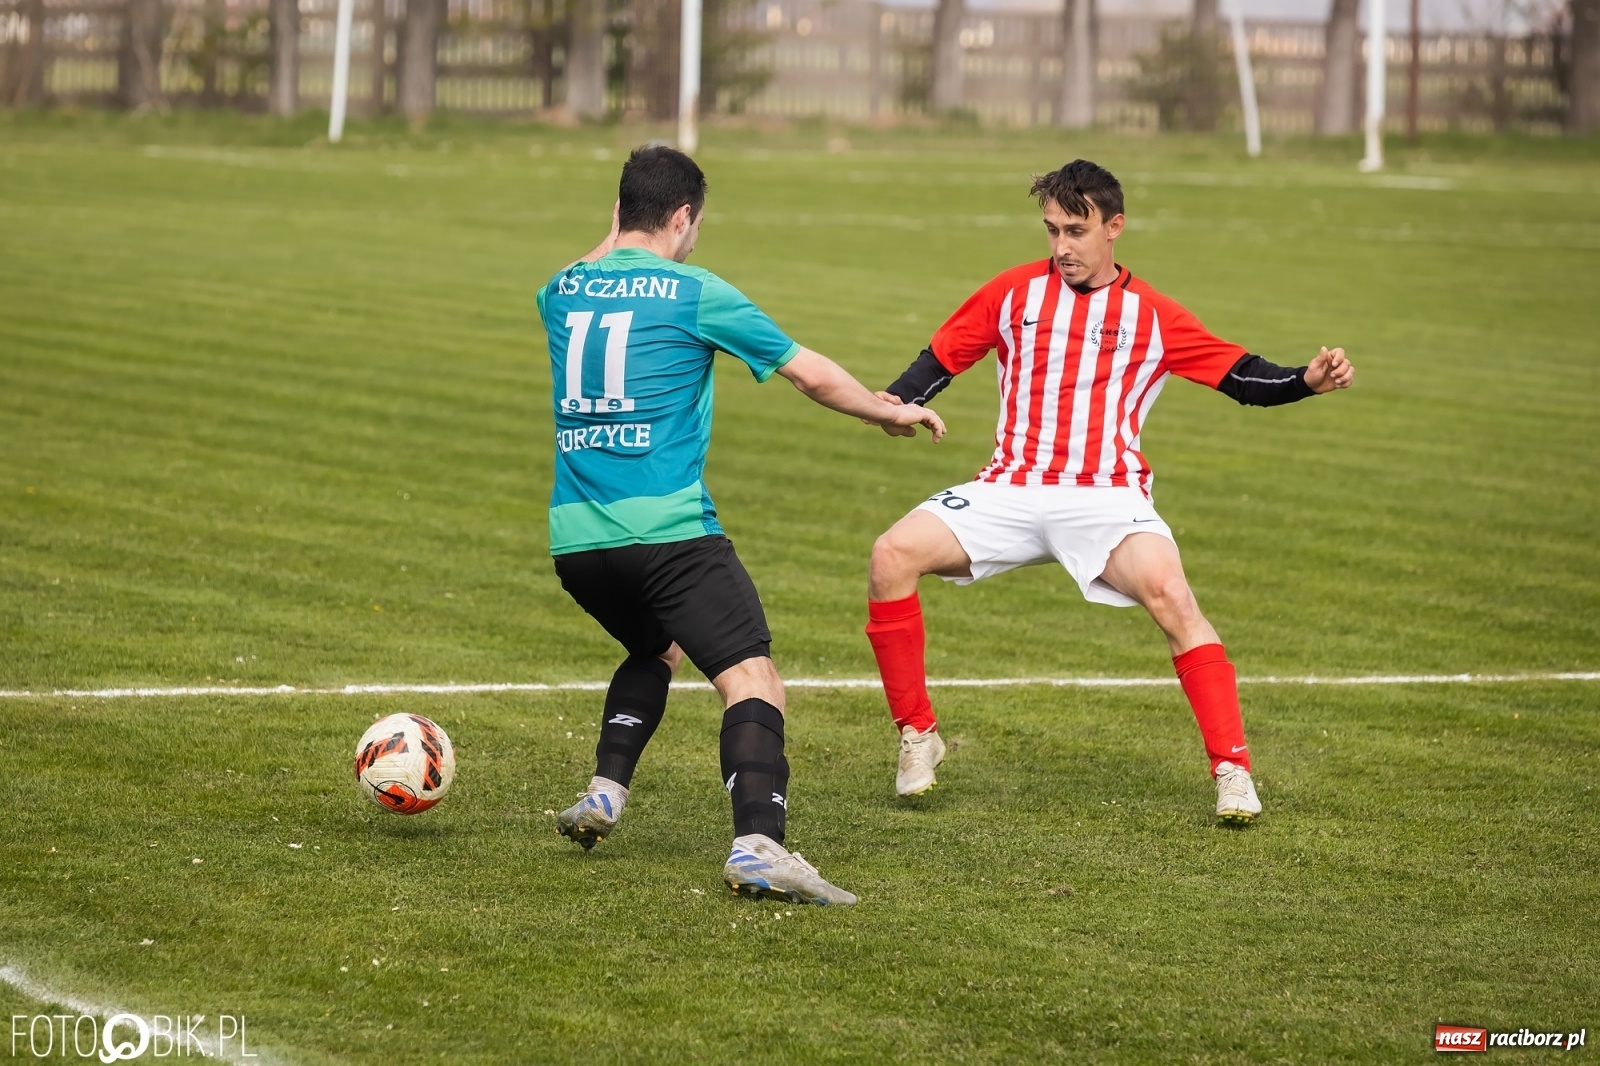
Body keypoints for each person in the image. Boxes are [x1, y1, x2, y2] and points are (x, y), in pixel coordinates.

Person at [863, 159, 1353, 823]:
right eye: (1051, 231)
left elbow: (1240, 376)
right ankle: (918, 735)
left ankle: (1233, 770)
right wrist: (897, 406)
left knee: (1174, 599)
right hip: (1010, 488)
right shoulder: (1011, 295)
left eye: (1076, 230)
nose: (1061, 246)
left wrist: (1305, 381)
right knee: (891, 555)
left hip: (1106, 497)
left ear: (1114, 227)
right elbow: (938, 361)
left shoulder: (1152, 315)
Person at [536, 145, 945, 905]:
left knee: (655, 647)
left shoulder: (560, 292)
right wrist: (887, 409)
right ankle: (759, 845)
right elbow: (808, 372)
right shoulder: (696, 292)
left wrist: (615, 230)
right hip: (669, 535)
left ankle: (604, 792)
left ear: (620, 212)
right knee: (750, 676)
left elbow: (585, 264)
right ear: (684, 217)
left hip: (578, 544)